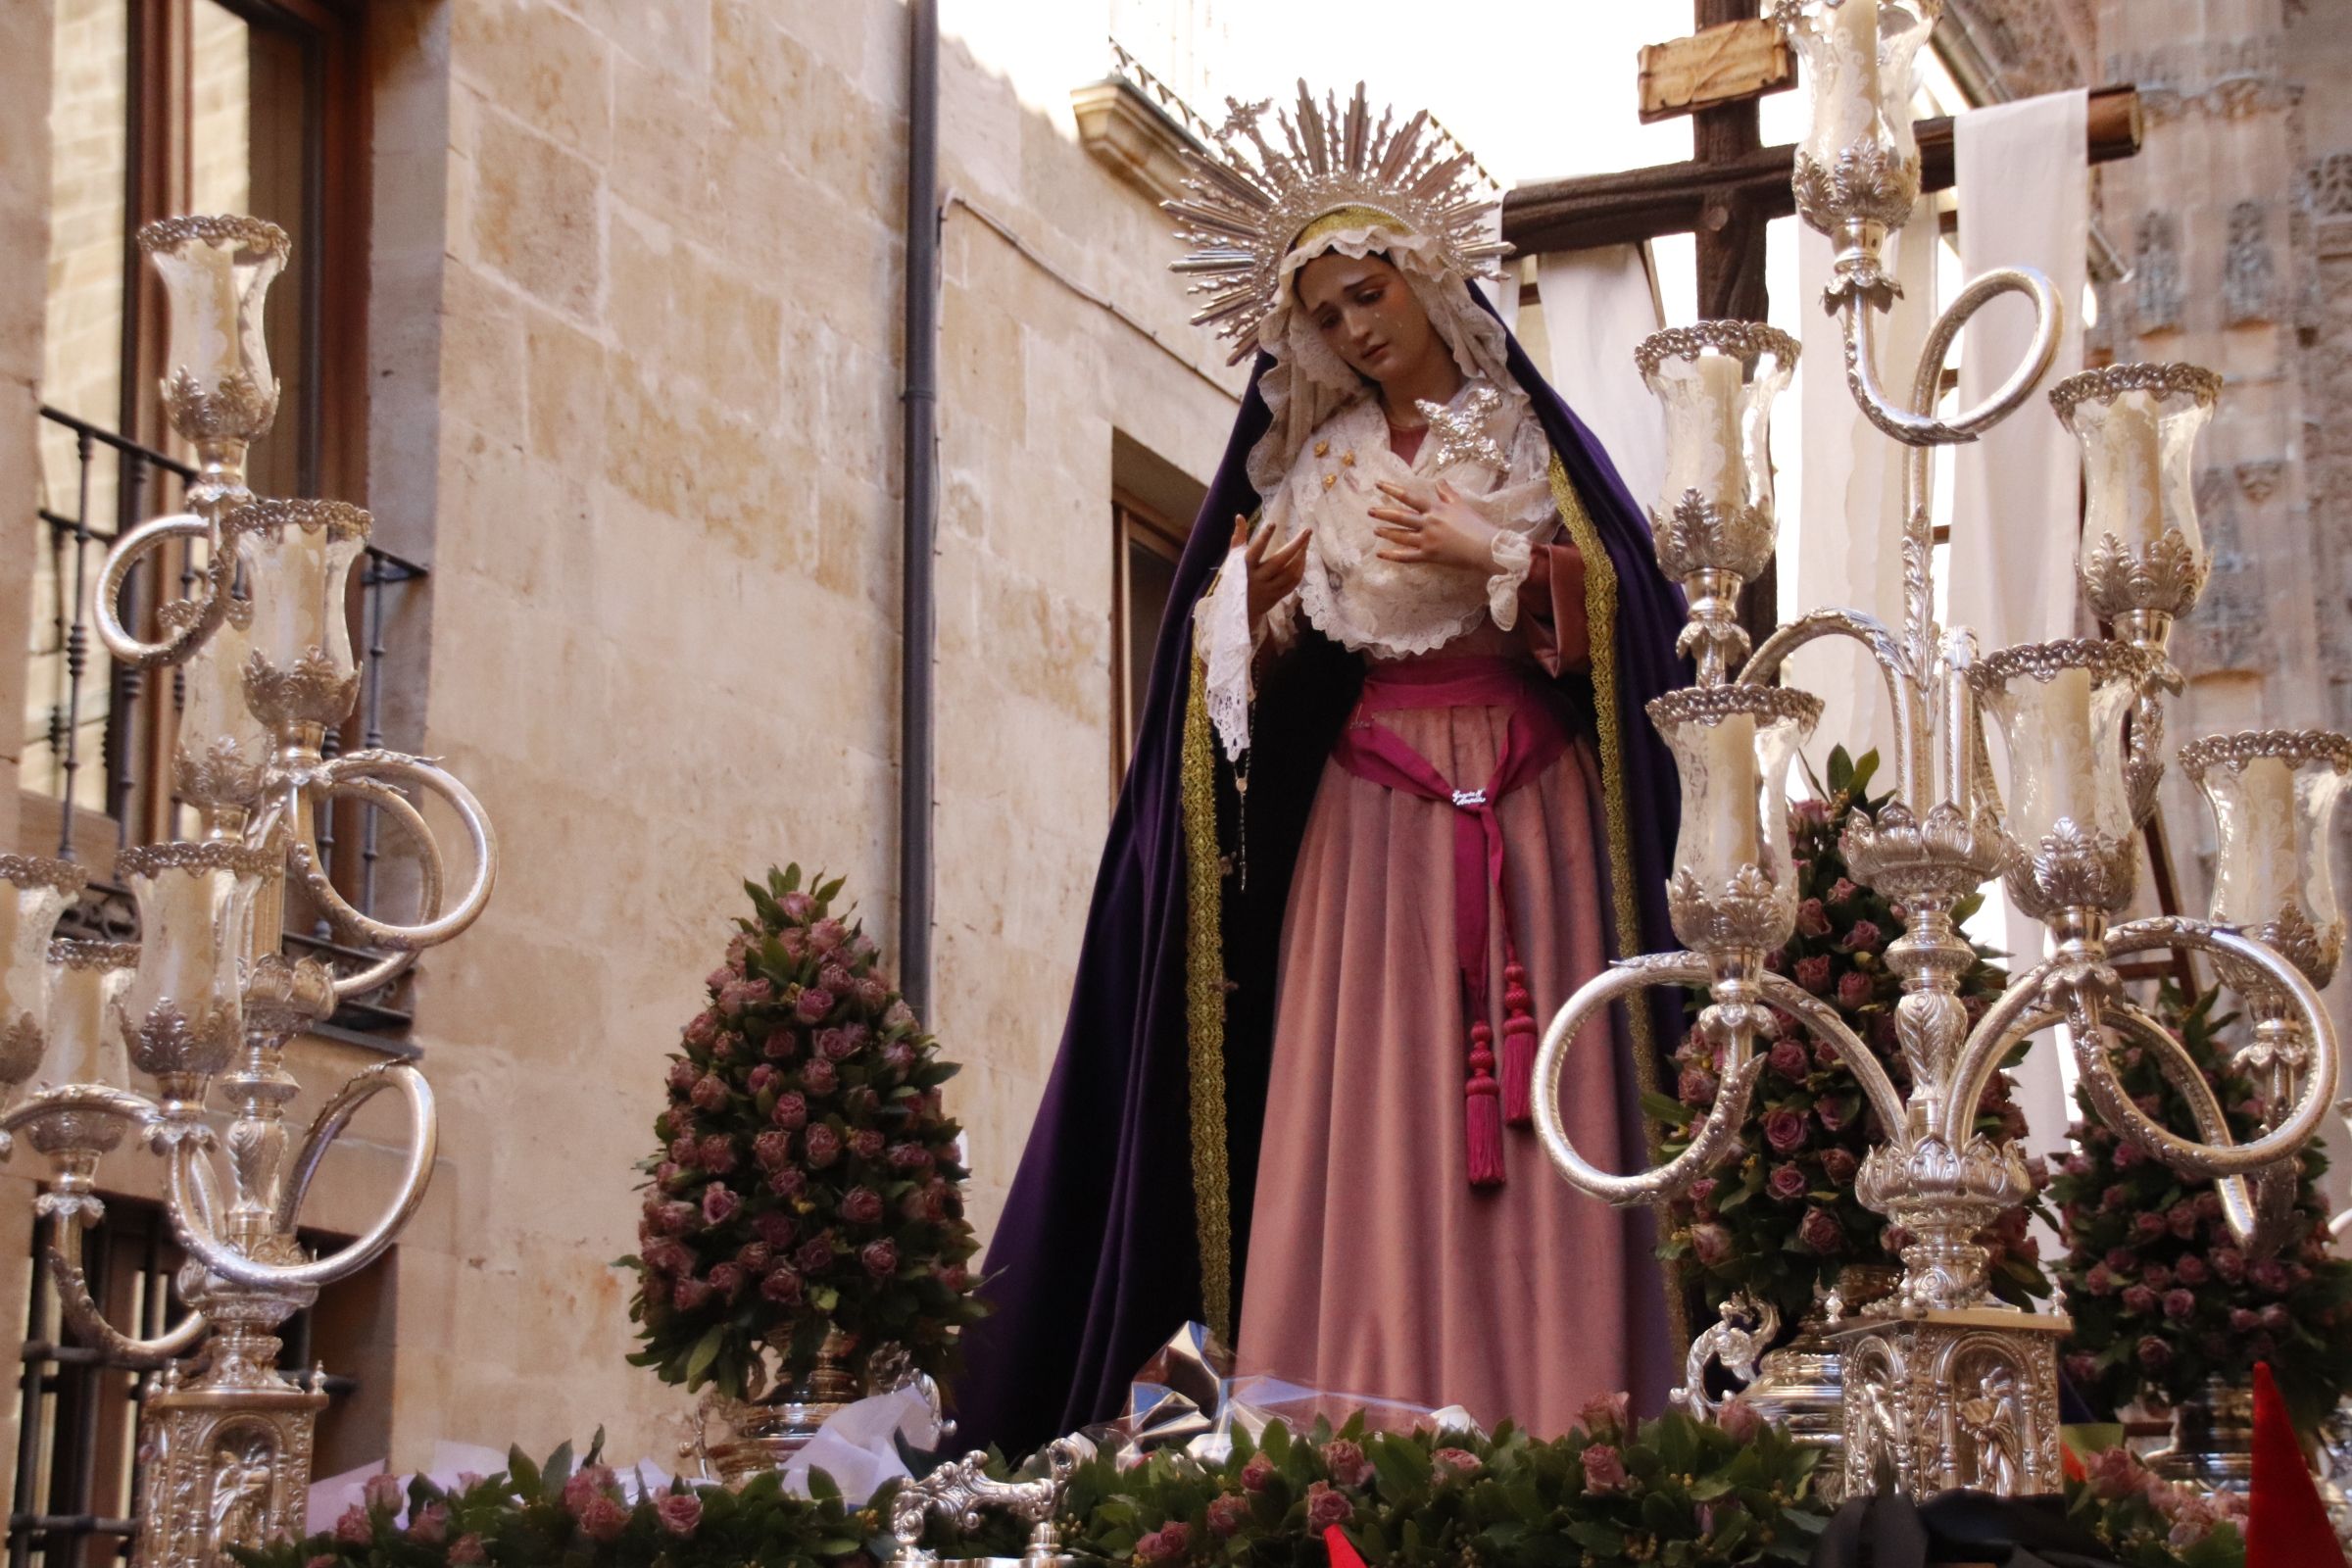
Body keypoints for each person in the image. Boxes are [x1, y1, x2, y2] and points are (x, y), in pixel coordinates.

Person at [956, 84, 1691, 1456]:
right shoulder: (1320, 460)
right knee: (1370, 1115)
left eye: (1371, 294)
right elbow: (1238, 697)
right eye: (1330, 314)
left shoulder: (1520, 441)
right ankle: (1357, 1426)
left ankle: (1567, 1418)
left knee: (1551, 1114)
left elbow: (1630, 628)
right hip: (1372, 824)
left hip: (1529, 814)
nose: (1356, 328)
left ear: (1422, 277)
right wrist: (1246, 607)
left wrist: (1488, 553)